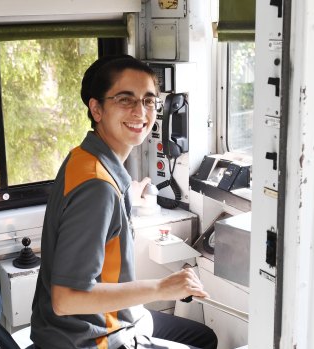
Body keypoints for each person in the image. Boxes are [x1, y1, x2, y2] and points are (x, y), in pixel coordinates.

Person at [30, 54, 218, 349]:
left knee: (202, 336)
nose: (140, 112)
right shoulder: (97, 189)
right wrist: (160, 288)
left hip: (91, 324)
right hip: (89, 338)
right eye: (125, 100)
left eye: (148, 100)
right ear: (97, 109)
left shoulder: (86, 160)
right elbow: (65, 299)